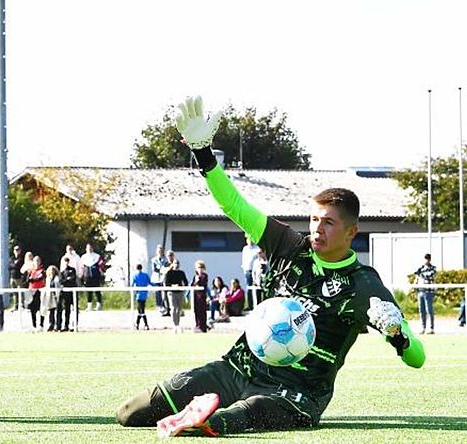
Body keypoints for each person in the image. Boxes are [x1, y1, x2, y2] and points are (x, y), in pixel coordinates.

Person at [116, 96, 426, 436]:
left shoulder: (363, 285)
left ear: (352, 231)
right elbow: (234, 204)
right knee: (130, 413)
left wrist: (399, 335)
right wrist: (203, 152)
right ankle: (199, 410)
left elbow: (417, 358)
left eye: (328, 223)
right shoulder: (289, 246)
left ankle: (204, 419)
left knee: (240, 417)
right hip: (236, 369)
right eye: (313, 219)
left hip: (293, 394)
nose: (316, 229)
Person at [413, 253, 437, 334]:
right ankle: (423, 328)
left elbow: (429, 276)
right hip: (420, 291)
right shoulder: (421, 268)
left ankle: (431, 328)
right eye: (425, 258)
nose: (426, 260)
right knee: (421, 310)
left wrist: (420, 274)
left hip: (428, 291)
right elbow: (416, 277)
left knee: (429, 310)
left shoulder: (433, 268)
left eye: (428, 258)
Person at [164, 258, 189, 333]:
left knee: (179, 309)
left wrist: (182, 287)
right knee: (173, 308)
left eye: (178, 263)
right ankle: (174, 325)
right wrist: (172, 285)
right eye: (175, 263)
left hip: (180, 292)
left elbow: (186, 282)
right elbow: (166, 283)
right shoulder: (169, 273)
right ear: (172, 264)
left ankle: (178, 324)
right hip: (172, 292)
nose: (176, 265)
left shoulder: (181, 273)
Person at [79, 244, 103, 311]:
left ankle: (99, 305)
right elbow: (81, 267)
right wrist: (81, 275)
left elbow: (101, 265)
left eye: (90, 248)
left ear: (92, 248)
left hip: (95, 276)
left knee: (97, 290)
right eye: (88, 248)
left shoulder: (97, 256)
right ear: (86, 249)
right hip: (87, 276)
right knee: (88, 291)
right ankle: (89, 306)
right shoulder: (83, 257)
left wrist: (101, 271)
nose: (89, 249)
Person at [58, 255, 78, 332]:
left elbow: (73, 279)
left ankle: (75, 325)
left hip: (73, 293)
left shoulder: (72, 270)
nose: (66, 263)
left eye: (67, 261)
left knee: (75, 309)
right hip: (66, 294)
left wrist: (66, 280)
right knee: (67, 310)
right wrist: (67, 279)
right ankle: (66, 326)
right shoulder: (62, 272)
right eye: (65, 261)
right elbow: (61, 281)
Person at [241, 235, 260, 311]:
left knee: (257, 287)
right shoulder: (245, 249)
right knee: (248, 288)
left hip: (256, 271)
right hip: (248, 270)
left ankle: (258, 304)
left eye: (251, 240)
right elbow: (244, 259)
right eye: (248, 240)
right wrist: (244, 269)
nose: (250, 241)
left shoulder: (257, 248)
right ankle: (250, 305)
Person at [40, 265, 62, 331]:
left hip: (57, 296)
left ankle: (58, 325)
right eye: (50, 270)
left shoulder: (58, 278)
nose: (52, 271)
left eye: (53, 270)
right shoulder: (48, 279)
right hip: (50, 296)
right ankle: (51, 325)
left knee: (58, 311)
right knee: (51, 311)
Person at [150, 245, 169, 315]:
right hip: (156, 278)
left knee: (164, 292)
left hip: (163, 277)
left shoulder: (165, 260)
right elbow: (154, 269)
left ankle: (164, 306)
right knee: (157, 292)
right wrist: (161, 270)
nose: (160, 251)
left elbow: (167, 267)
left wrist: (164, 270)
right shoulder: (153, 260)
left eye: (161, 250)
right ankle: (159, 306)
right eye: (159, 250)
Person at [131, 264, 151, 330]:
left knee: (141, 310)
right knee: (141, 309)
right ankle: (142, 324)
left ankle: (141, 324)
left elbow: (132, 284)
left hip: (139, 294)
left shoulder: (135, 276)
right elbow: (150, 283)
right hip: (144, 294)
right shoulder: (145, 275)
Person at [191, 261, 209, 333]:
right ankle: (197, 325)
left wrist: (198, 281)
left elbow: (203, 285)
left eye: (201, 267)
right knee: (196, 311)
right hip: (196, 296)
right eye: (198, 267)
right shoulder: (195, 276)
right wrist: (195, 282)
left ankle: (203, 326)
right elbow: (192, 285)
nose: (200, 269)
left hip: (202, 296)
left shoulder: (205, 276)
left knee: (202, 311)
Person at [9, 244, 25, 310]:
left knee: (20, 292)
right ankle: (15, 305)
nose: (16, 251)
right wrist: (14, 265)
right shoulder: (12, 258)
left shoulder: (21, 258)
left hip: (19, 277)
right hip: (12, 277)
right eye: (15, 250)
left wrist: (14, 265)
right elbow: (9, 266)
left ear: (20, 250)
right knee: (14, 293)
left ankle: (22, 305)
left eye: (18, 249)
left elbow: (18, 266)